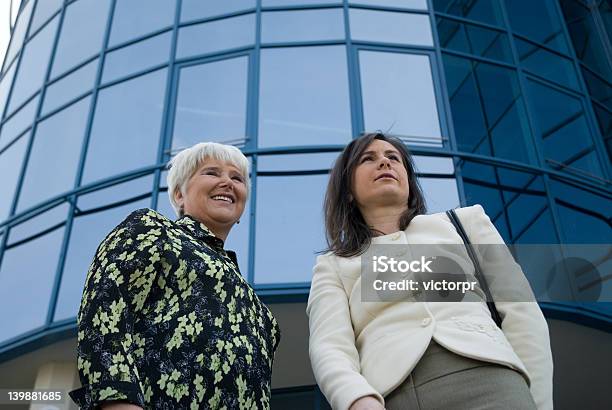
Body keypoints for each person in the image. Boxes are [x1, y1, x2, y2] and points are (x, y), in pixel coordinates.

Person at [307, 133, 553, 410]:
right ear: (349, 191)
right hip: (394, 396)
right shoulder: (333, 264)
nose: (384, 163)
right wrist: (356, 399)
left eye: (393, 158)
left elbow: (523, 314)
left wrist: (537, 402)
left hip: (493, 381)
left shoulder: (466, 223)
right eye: (368, 159)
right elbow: (329, 345)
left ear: (409, 183)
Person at [70, 142, 280, 409]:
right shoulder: (153, 231)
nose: (227, 182)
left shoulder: (258, 310)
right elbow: (106, 312)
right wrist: (116, 402)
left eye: (237, 178)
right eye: (212, 173)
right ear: (179, 194)